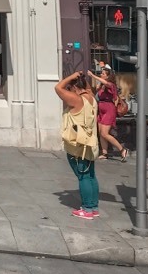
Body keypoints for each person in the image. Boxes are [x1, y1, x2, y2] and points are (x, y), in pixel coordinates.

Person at [55, 71, 100, 220]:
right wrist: (80, 78)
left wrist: (71, 76)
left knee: (83, 177)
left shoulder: (77, 100)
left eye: (71, 87)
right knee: (91, 176)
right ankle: (93, 207)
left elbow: (58, 88)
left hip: (78, 146)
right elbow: (87, 88)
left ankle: (86, 209)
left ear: (74, 87)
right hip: (90, 143)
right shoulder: (91, 98)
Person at [88, 66, 128, 161]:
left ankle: (122, 149)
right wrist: (98, 84)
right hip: (101, 109)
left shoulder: (111, 85)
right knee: (101, 133)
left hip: (109, 110)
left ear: (108, 76)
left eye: (103, 74)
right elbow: (99, 91)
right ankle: (104, 152)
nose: (101, 74)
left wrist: (93, 76)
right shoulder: (102, 85)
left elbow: (106, 83)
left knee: (105, 133)